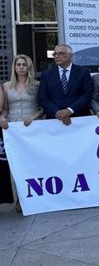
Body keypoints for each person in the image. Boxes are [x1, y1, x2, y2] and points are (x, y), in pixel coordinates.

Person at [0, 55, 43, 212]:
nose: (21, 67)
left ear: (29, 67)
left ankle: (33, 195)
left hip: (32, 127)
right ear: (14, 67)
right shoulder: (6, 86)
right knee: (15, 164)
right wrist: (2, 118)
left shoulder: (37, 85)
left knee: (32, 163)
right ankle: (20, 198)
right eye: (18, 64)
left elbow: (43, 106)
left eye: (24, 64)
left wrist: (33, 117)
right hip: (12, 130)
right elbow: (4, 109)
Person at [38, 44, 93, 125]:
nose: (57, 56)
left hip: (80, 118)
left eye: (61, 53)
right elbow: (43, 98)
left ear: (70, 55)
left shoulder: (83, 72)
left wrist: (70, 110)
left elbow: (87, 94)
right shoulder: (46, 74)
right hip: (55, 120)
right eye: (55, 54)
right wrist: (57, 112)